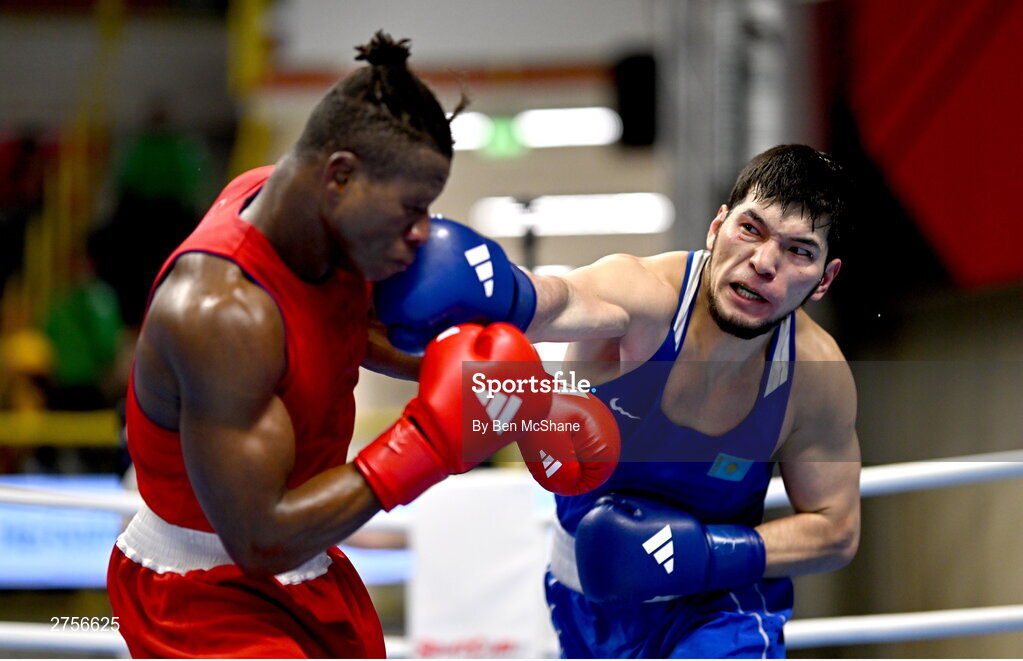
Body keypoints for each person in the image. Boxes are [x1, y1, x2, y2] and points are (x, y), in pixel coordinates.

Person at [105, 31, 563, 659]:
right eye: (411, 209)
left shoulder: (303, 211)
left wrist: (509, 389)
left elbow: (343, 330)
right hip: (206, 589)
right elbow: (260, 539)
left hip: (308, 557)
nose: (421, 233)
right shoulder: (219, 314)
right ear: (340, 175)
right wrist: (431, 441)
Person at [375, 144, 861, 658]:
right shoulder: (642, 295)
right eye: (751, 229)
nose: (764, 262)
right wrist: (497, 292)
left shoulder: (814, 375)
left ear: (824, 279)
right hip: (584, 607)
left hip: (719, 609)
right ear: (717, 227)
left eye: (799, 251)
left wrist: (709, 555)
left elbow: (837, 529)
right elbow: (554, 301)